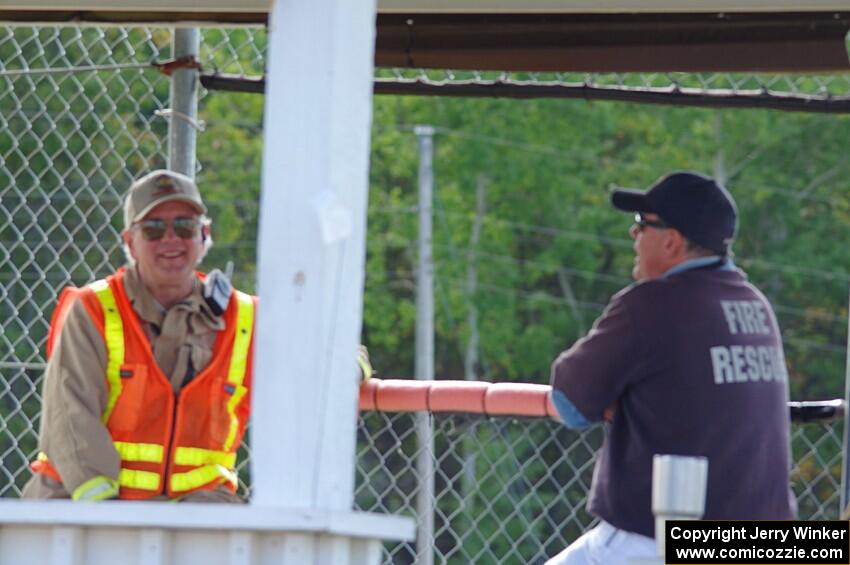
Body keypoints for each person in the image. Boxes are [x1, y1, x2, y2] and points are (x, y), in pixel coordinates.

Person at [22, 169, 373, 502]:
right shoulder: (94, 309)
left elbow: (334, 350)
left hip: (196, 510)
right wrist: (110, 523)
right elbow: (70, 420)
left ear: (203, 236)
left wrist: (346, 371)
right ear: (130, 241)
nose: (171, 239)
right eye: (155, 228)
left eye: (185, 226)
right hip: (82, 502)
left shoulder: (246, 317)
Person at [546, 172, 796, 564]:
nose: (633, 234)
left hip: (664, 540)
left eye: (642, 223)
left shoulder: (650, 305)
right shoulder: (756, 305)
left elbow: (570, 404)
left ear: (671, 240)